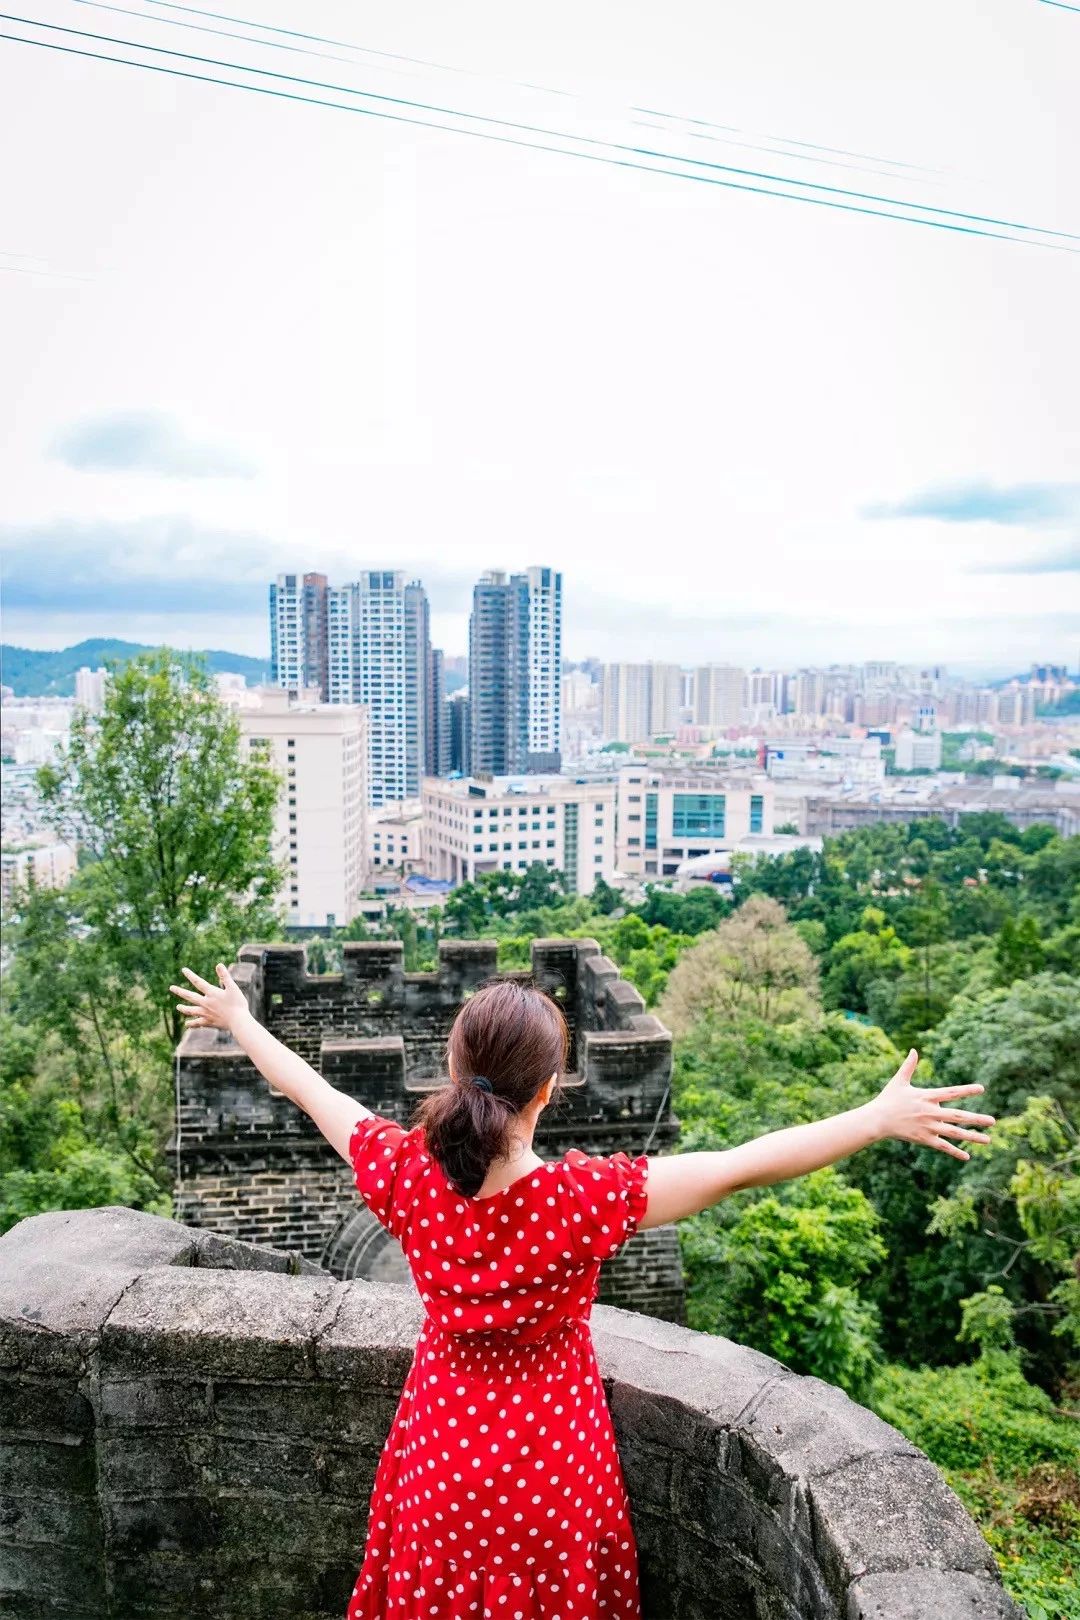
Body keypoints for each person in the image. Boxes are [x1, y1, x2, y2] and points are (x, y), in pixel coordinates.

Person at [170, 962, 995, 1620]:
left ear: (456, 1072)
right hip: (553, 1470)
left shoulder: (405, 1172)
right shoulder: (583, 1202)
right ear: (549, 1089)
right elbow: (744, 1165)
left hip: (440, 1457)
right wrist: (876, 1117)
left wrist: (239, 1018)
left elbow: (309, 1090)